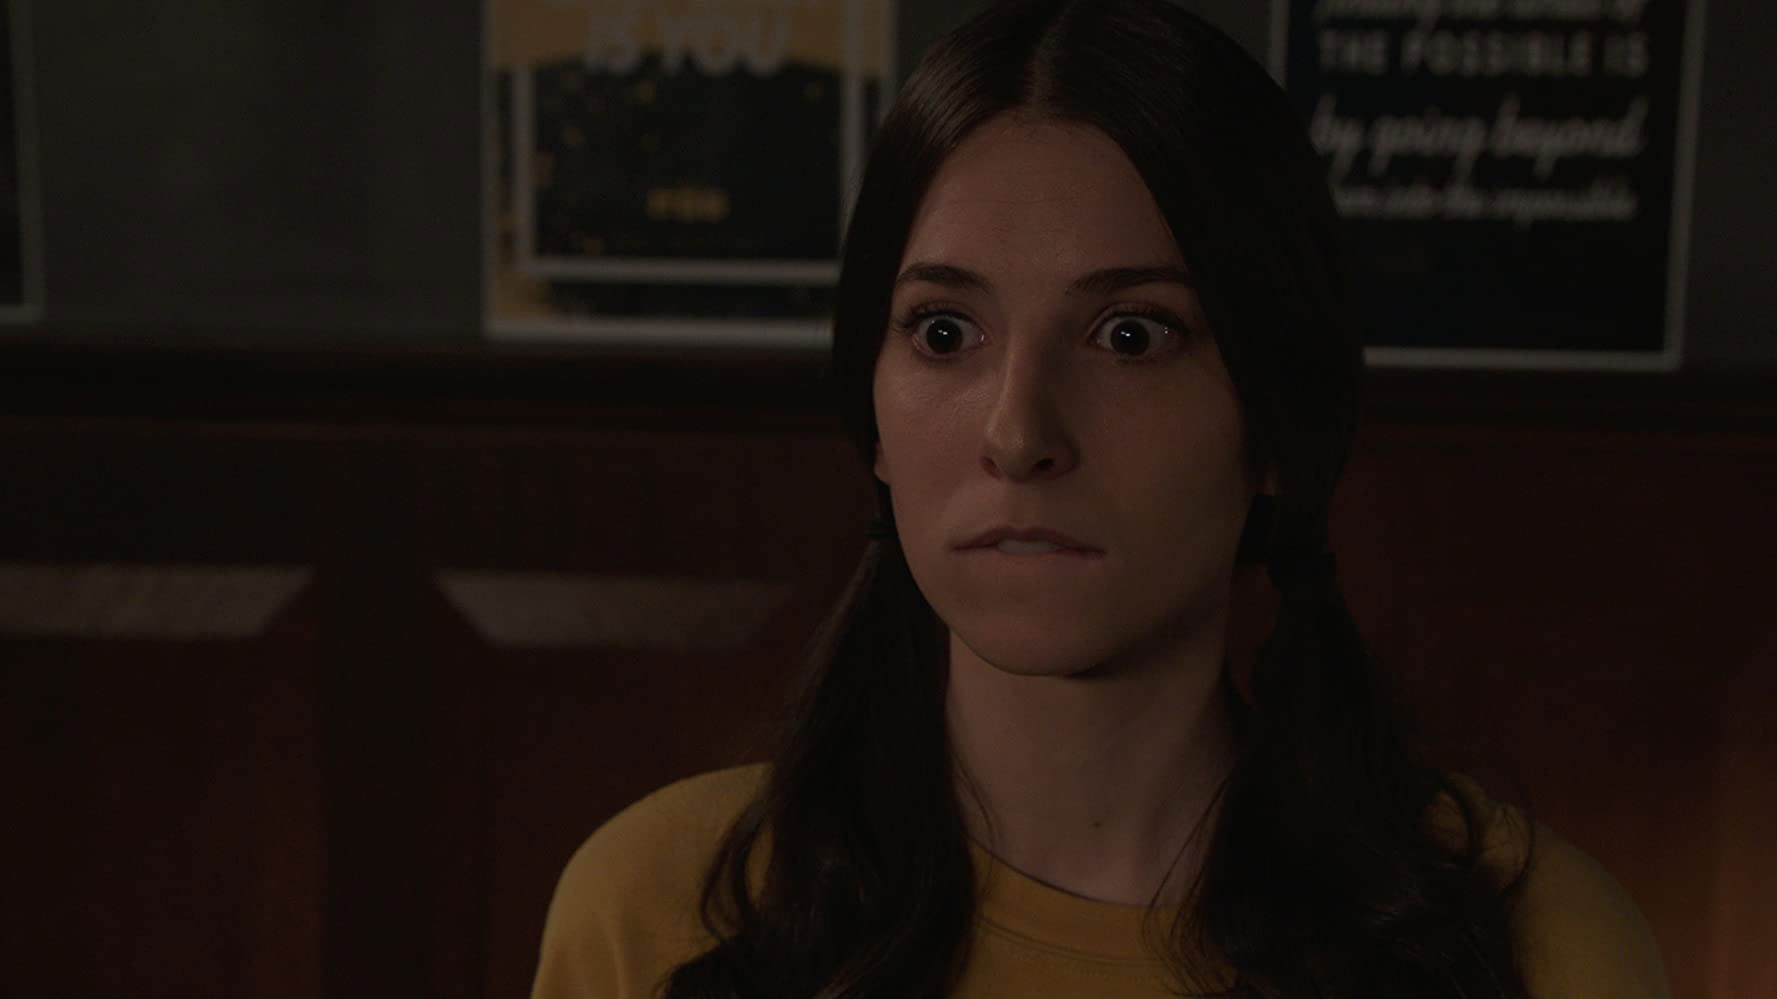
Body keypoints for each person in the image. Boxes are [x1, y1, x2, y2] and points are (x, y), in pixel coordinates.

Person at [530, 1, 1671, 996]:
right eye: (944, 332)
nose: (1019, 434)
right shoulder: (666, 913)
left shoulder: (1532, 945)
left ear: (1277, 424)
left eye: (1131, 336)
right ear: (872, 418)